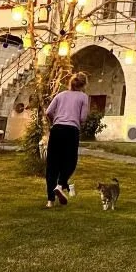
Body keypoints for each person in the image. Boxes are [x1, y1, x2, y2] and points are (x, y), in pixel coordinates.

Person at [44, 71, 89, 208]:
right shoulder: (83, 97)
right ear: (84, 84)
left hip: (57, 130)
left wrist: (54, 122)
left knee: (52, 164)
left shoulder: (60, 95)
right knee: (70, 161)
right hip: (71, 131)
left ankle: (50, 201)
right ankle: (60, 185)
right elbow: (82, 118)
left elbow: (48, 112)